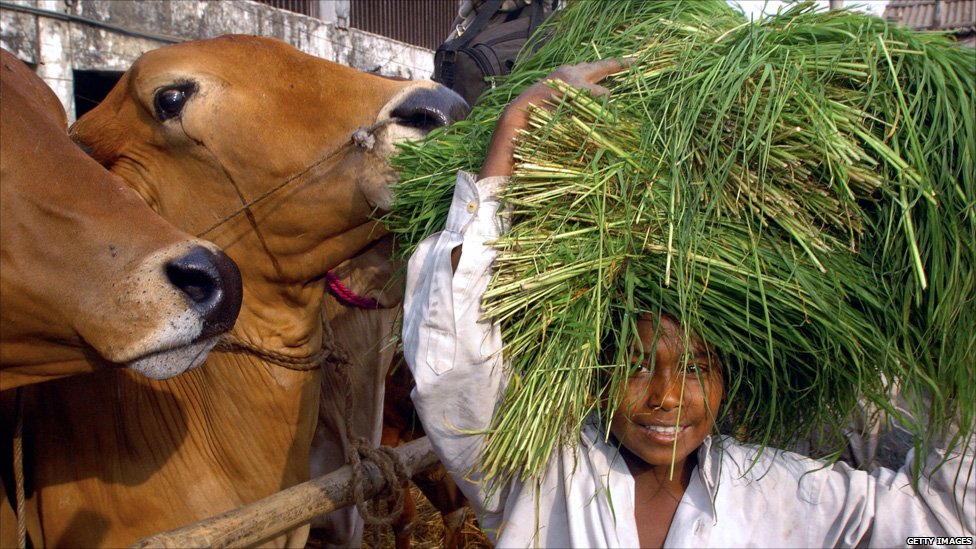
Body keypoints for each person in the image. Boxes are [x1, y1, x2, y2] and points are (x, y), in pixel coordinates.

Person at [400, 60, 976, 548]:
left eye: (697, 367)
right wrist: (515, 125)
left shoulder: (783, 494)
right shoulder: (541, 478)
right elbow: (455, 363)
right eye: (634, 364)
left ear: (728, 379)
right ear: (593, 379)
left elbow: (945, 533)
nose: (667, 396)